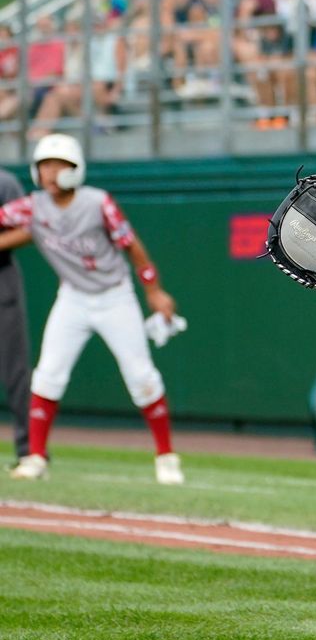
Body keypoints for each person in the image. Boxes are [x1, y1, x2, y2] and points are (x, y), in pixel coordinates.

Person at [0, 135, 183, 485]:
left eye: (58, 165)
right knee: (48, 374)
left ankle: (166, 455)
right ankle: (36, 457)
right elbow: (9, 221)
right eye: (44, 165)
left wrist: (154, 290)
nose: (50, 172)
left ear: (75, 168)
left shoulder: (97, 202)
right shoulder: (34, 206)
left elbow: (131, 245)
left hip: (115, 296)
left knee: (141, 377)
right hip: (73, 297)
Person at [0, 167, 31, 466]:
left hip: (2, 278)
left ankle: (30, 452)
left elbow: (27, 229)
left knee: (15, 370)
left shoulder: (4, 182)